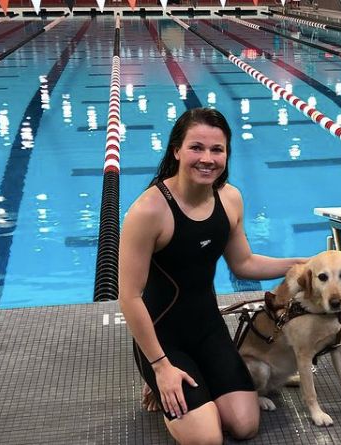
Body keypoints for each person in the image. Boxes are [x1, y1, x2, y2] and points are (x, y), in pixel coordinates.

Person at [119, 108, 307, 445]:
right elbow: (129, 296)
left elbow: (244, 264)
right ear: (176, 150)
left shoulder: (230, 198)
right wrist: (160, 368)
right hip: (163, 340)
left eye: (217, 150)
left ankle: (195, 382)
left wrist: (301, 263)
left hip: (208, 331)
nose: (207, 159)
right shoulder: (149, 211)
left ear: (226, 154)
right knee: (207, 439)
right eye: (197, 148)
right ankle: (159, 383)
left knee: (244, 425)